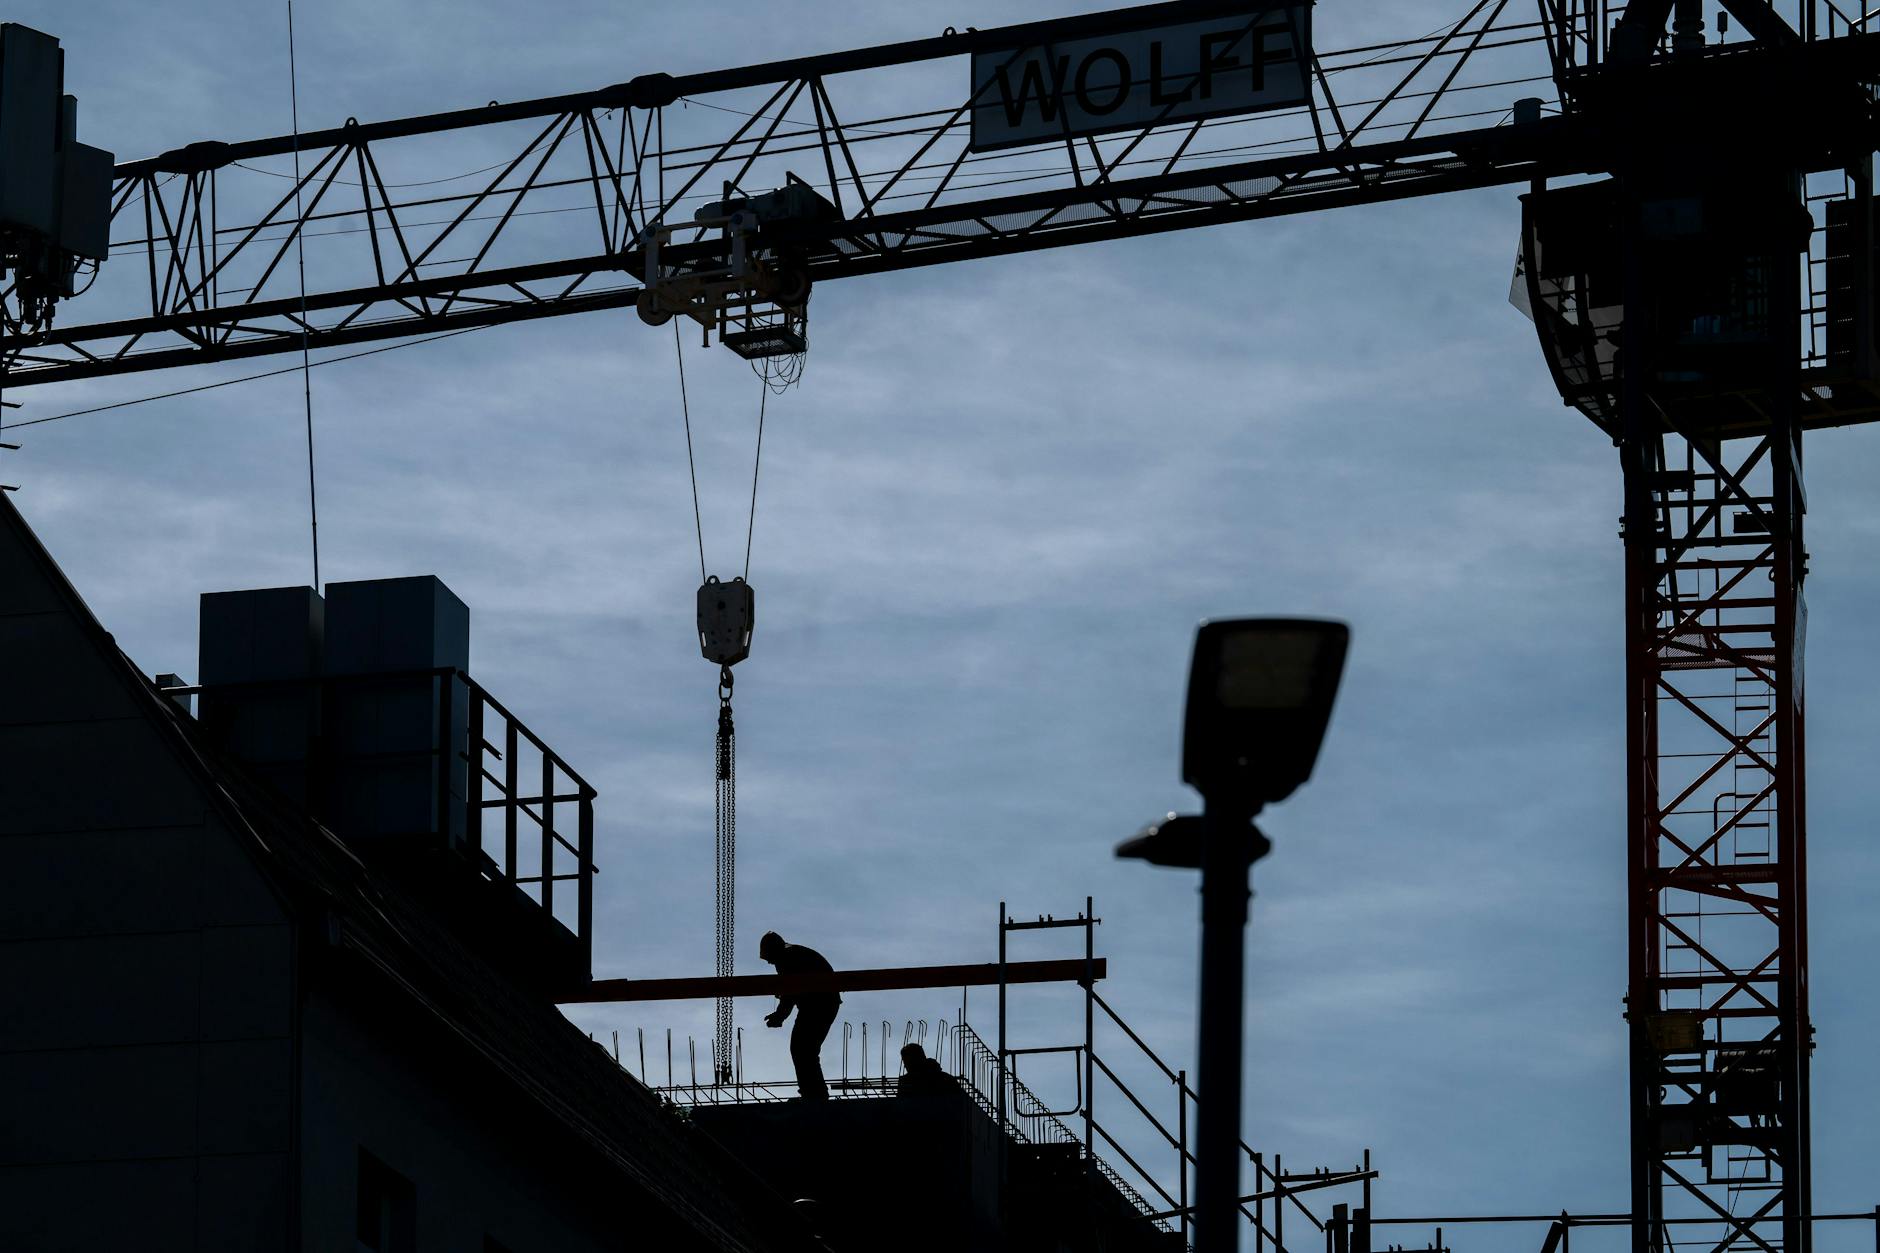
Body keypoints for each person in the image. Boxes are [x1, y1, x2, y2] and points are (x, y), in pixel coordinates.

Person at [760, 931, 840, 1101]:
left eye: (768, 957)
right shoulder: (792, 953)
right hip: (822, 1003)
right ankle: (814, 1093)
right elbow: (790, 990)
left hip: (818, 1004)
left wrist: (779, 1016)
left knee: (802, 1048)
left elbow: (790, 991)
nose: (768, 962)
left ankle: (814, 1094)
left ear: (773, 950)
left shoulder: (786, 957)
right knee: (805, 1049)